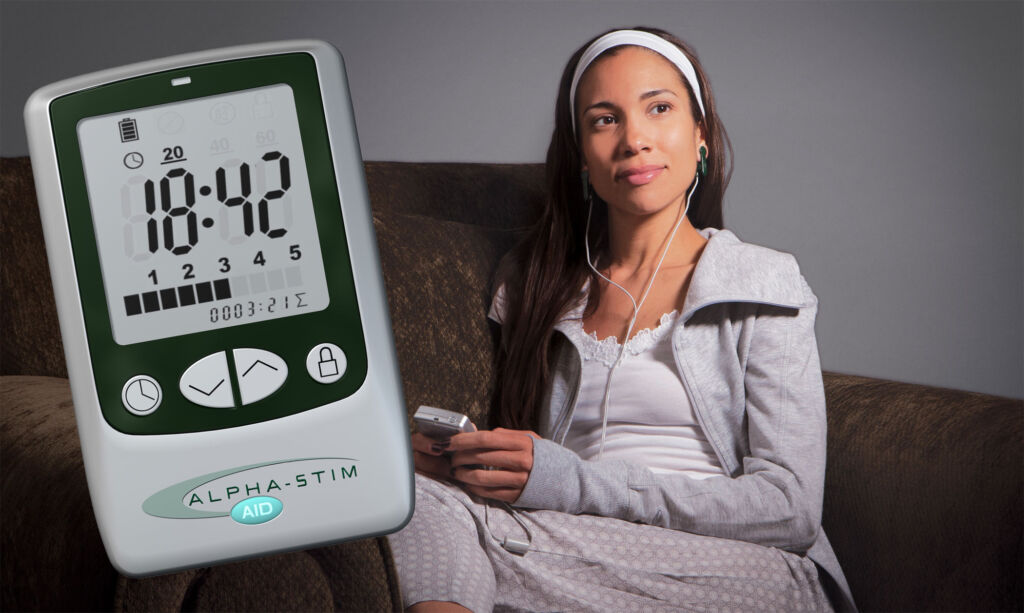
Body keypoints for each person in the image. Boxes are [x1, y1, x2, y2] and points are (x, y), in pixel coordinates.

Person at [387, 26, 857, 613]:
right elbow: (528, 468)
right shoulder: (533, 284)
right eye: (604, 120)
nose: (635, 139)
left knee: (467, 535)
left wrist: (573, 483)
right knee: (410, 497)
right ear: (582, 154)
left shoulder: (761, 279)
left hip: (744, 571)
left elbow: (789, 509)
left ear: (700, 134)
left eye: (659, 108)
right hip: (575, 555)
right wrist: (462, 466)